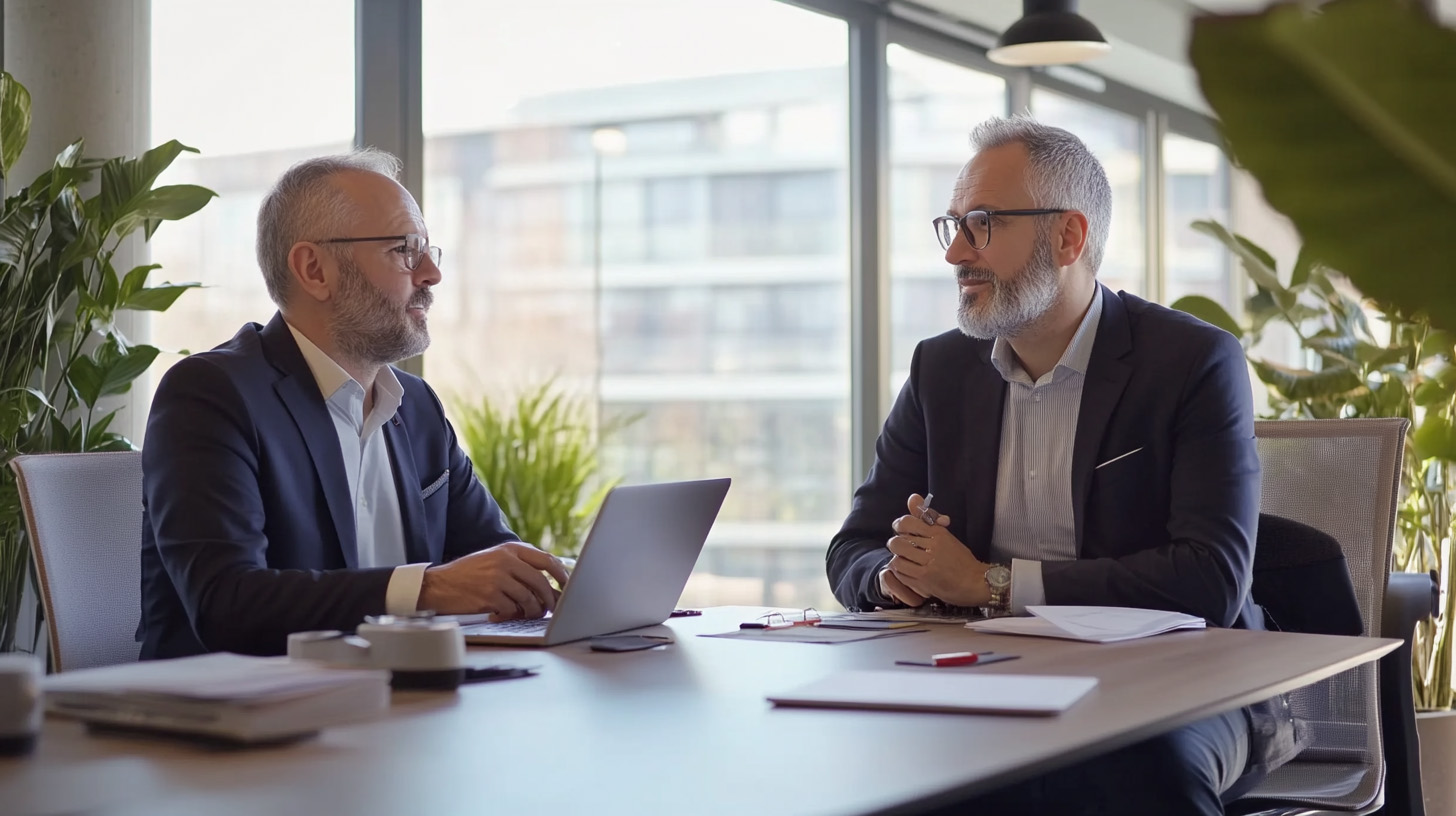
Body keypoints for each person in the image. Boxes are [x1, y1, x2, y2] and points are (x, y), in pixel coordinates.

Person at [826, 117, 1301, 814]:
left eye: (982, 223)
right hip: (993, 678)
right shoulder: (941, 369)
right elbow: (853, 549)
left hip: (1187, 682)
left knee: (1127, 771)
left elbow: (1211, 580)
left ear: (1069, 237)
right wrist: (898, 577)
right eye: (952, 224)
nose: (956, 251)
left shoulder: (1194, 362)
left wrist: (989, 583)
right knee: (888, 767)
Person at [138, 149, 569, 660]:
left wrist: (571, 582)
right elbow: (228, 604)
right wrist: (426, 590)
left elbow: (496, 564)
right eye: (404, 250)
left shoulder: (418, 409)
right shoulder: (211, 394)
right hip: (246, 720)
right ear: (314, 269)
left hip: (401, 709)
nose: (430, 273)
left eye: (429, 250)